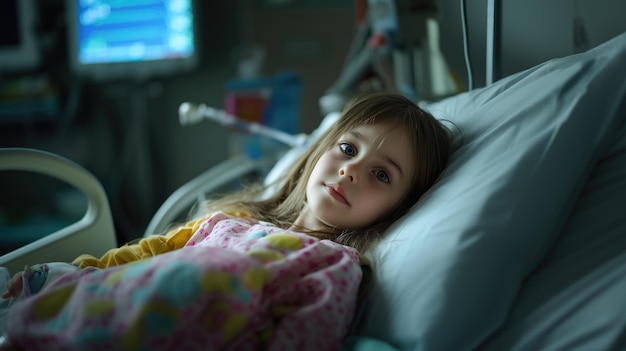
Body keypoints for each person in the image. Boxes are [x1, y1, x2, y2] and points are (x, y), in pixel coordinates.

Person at [0, 92, 452, 350]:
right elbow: (146, 256)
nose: (351, 170)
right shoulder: (233, 218)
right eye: (349, 149)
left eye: (381, 174)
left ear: (398, 207)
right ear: (320, 150)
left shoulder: (336, 265)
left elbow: (305, 337)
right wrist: (83, 273)